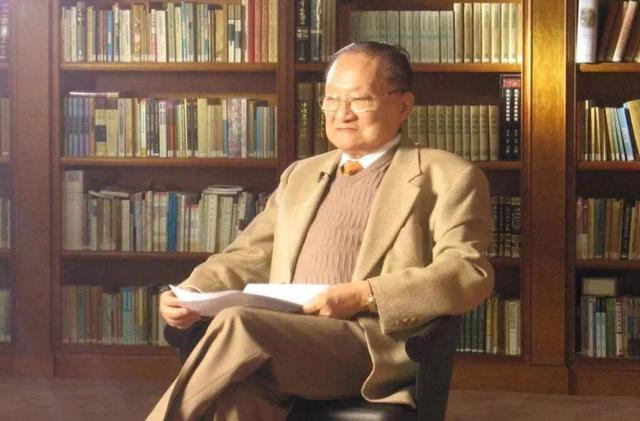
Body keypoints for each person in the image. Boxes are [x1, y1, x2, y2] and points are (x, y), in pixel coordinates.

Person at [147, 41, 494, 421]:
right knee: (237, 392)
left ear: (403, 106)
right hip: (284, 336)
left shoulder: (448, 176)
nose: (342, 114)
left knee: (238, 323)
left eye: (359, 99)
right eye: (331, 100)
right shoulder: (301, 174)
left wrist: (364, 295)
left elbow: (468, 272)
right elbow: (249, 255)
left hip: (366, 346)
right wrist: (193, 292)